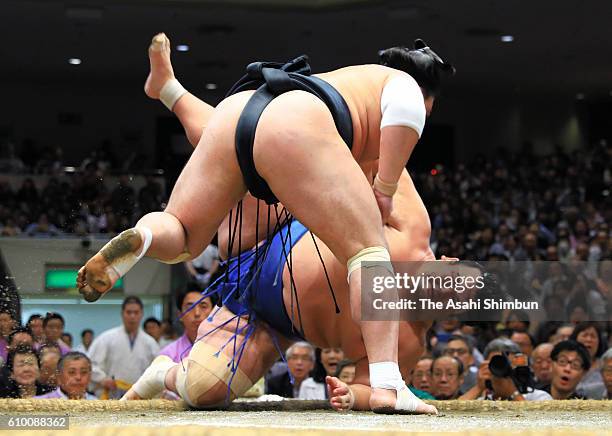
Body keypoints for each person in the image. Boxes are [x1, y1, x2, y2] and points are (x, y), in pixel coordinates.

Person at [80, 33, 455, 414]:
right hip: (271, 228)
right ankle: (391, 388)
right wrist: (387, 187)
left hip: (246, 119)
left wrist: (353, 395)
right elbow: (405, 112)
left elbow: (359, 387)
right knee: (369, 252)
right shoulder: (413, 219)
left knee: (201, 379)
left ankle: (145, 236)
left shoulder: (407, 342)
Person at [88, 296, 159, 399]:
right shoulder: (106, 338)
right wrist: (102, 379)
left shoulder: (150, 343)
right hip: (111, 396)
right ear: (122, 314)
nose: (132, 316)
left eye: (136, 312)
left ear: (142, 314)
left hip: (140, 397)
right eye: (129, 312)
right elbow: (91, 365)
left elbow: (157, 371)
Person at [460, 338, 551, 401]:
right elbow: (452, 418)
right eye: (496, 364)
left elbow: (540, 424)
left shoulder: (538, 397)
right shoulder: (481, 401)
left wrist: (513, 393)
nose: (502, 369)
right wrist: (478, 388)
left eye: (507, 364)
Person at [158, 286, 215, 363]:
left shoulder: (227, 349)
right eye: (190, 307)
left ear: (214, 312)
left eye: (203, 306)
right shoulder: (168, 355)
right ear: (180, 315)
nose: (197, 313)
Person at [569, 322, 606, 398]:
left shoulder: (605, 365)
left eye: (593, 336)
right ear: (575, 339)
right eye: (585, 335)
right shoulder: (566, 364)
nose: (589, 339)